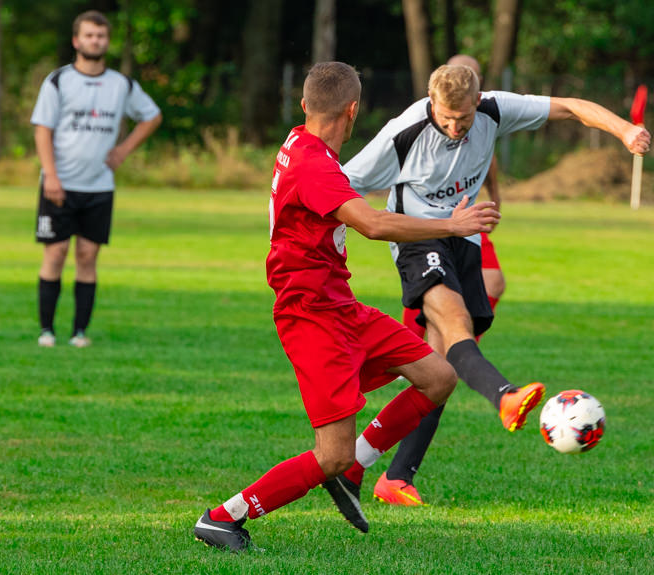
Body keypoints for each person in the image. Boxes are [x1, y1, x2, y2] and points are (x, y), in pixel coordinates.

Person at [193, 62, 499, 552]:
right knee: (328, 455)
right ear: (353, 110)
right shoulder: (314, 165)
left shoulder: (300, 141)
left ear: (306, 105)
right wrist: (453, 224)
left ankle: (357, 465)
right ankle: (221, 518)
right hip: (312, 318)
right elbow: (374, 224)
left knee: (438, 377)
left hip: (341, 306)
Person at [343, 64, 651, 506]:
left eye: (463, 118)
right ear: (432, 102)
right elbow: (343, 185)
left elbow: (570, 108)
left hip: (464, 237)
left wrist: (624, 130)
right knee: (454, 322)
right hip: (417, 238)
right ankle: (505, 396)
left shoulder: (494, 109)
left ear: (477, 102)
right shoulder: (404, 131)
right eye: (445, 117)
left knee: (439, 368)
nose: (454, 127)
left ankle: (379, 472)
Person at [31, 10, 162, 348]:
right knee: (56, 253)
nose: (95, 41)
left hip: (99, 186)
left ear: (107, 41)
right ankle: (47, 330)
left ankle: (79, 333)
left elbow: (151, 116)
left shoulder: (121, 84)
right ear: (77, 40)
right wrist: (51, 176)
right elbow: (42, 129)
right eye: (89, 35)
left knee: (88, 256)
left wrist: (123, 150)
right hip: (59, 184)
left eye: (101, 36)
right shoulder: (58, 81)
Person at [401, 55, 505, 340]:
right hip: (440, 217)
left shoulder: (479, 114)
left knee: (488, 283)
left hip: (465, 214)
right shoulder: (440, 120)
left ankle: (455, 349)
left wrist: (495, 196)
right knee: (441, 285)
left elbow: (488, 159)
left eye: (478, 74)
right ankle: (434, 349)